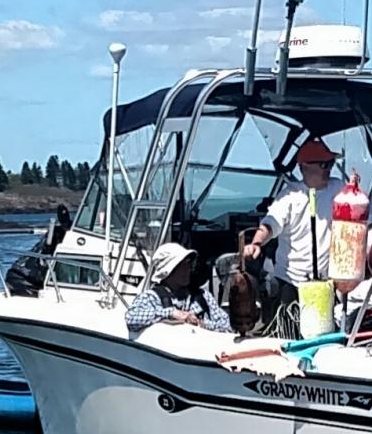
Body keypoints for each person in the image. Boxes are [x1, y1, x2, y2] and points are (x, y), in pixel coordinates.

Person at [242, 136, 344, 316]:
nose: (329, 169)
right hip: (291, 282)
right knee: (289, 332)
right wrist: (256, 243)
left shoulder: (338, 189)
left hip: (326, 282)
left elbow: (359, 217)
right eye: (324, 164)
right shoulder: (289, 197)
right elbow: (270, 224)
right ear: (304, 167)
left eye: (331, 163)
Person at [125, 242, 232, 333]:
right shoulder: (151, 298)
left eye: (188, 264)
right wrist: (172, 313)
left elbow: (228, 325)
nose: (188, 269)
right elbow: (132, 318)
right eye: (182, 265)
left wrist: (202, 324)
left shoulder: (203, 297)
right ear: (168, 271)